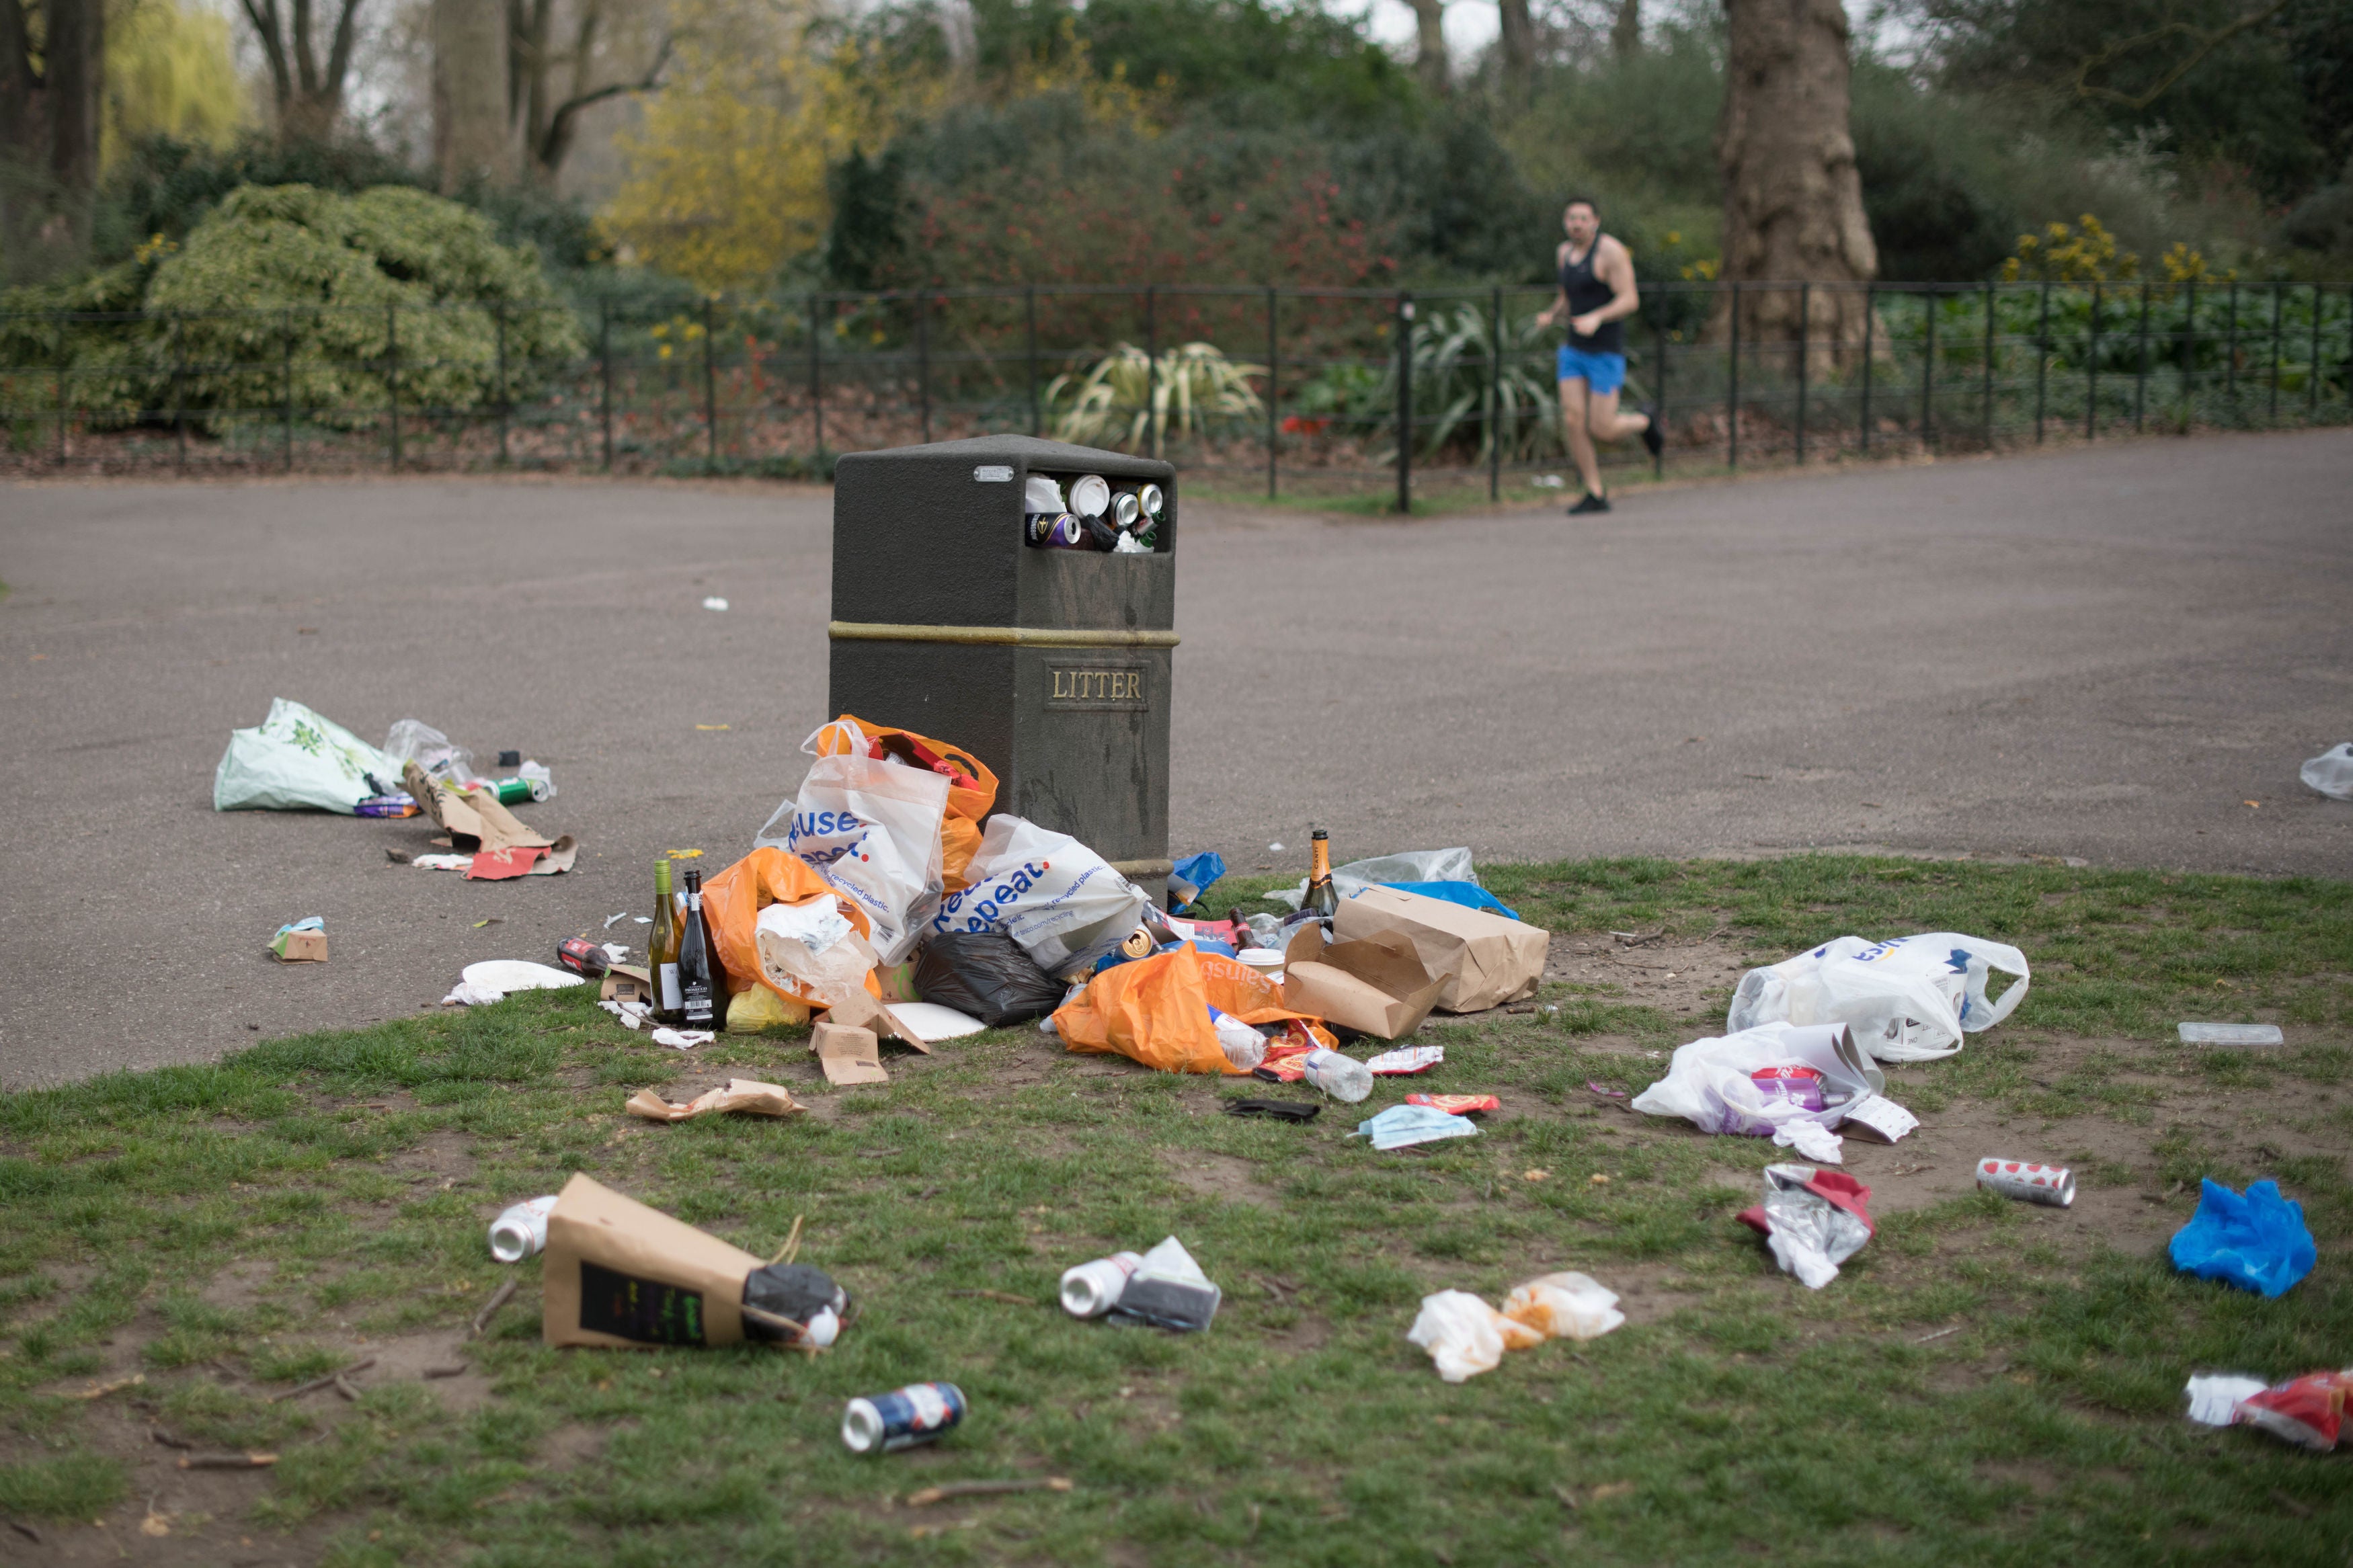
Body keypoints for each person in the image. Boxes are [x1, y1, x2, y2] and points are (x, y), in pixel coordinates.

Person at [1534, 198, 1662, 514]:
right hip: (1574, 350)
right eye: (1571, 218)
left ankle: (1645, 422)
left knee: (1601, 427)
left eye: (1583, 218)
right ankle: (1594, 491)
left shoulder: (1611, 252)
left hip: (1605, 350)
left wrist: (1597, 317)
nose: (1576, 223)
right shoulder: (1564, 253)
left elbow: (1630, 299)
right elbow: (1567, 296)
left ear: (1596, 221)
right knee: (1574, 420)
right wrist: (1551, 315)